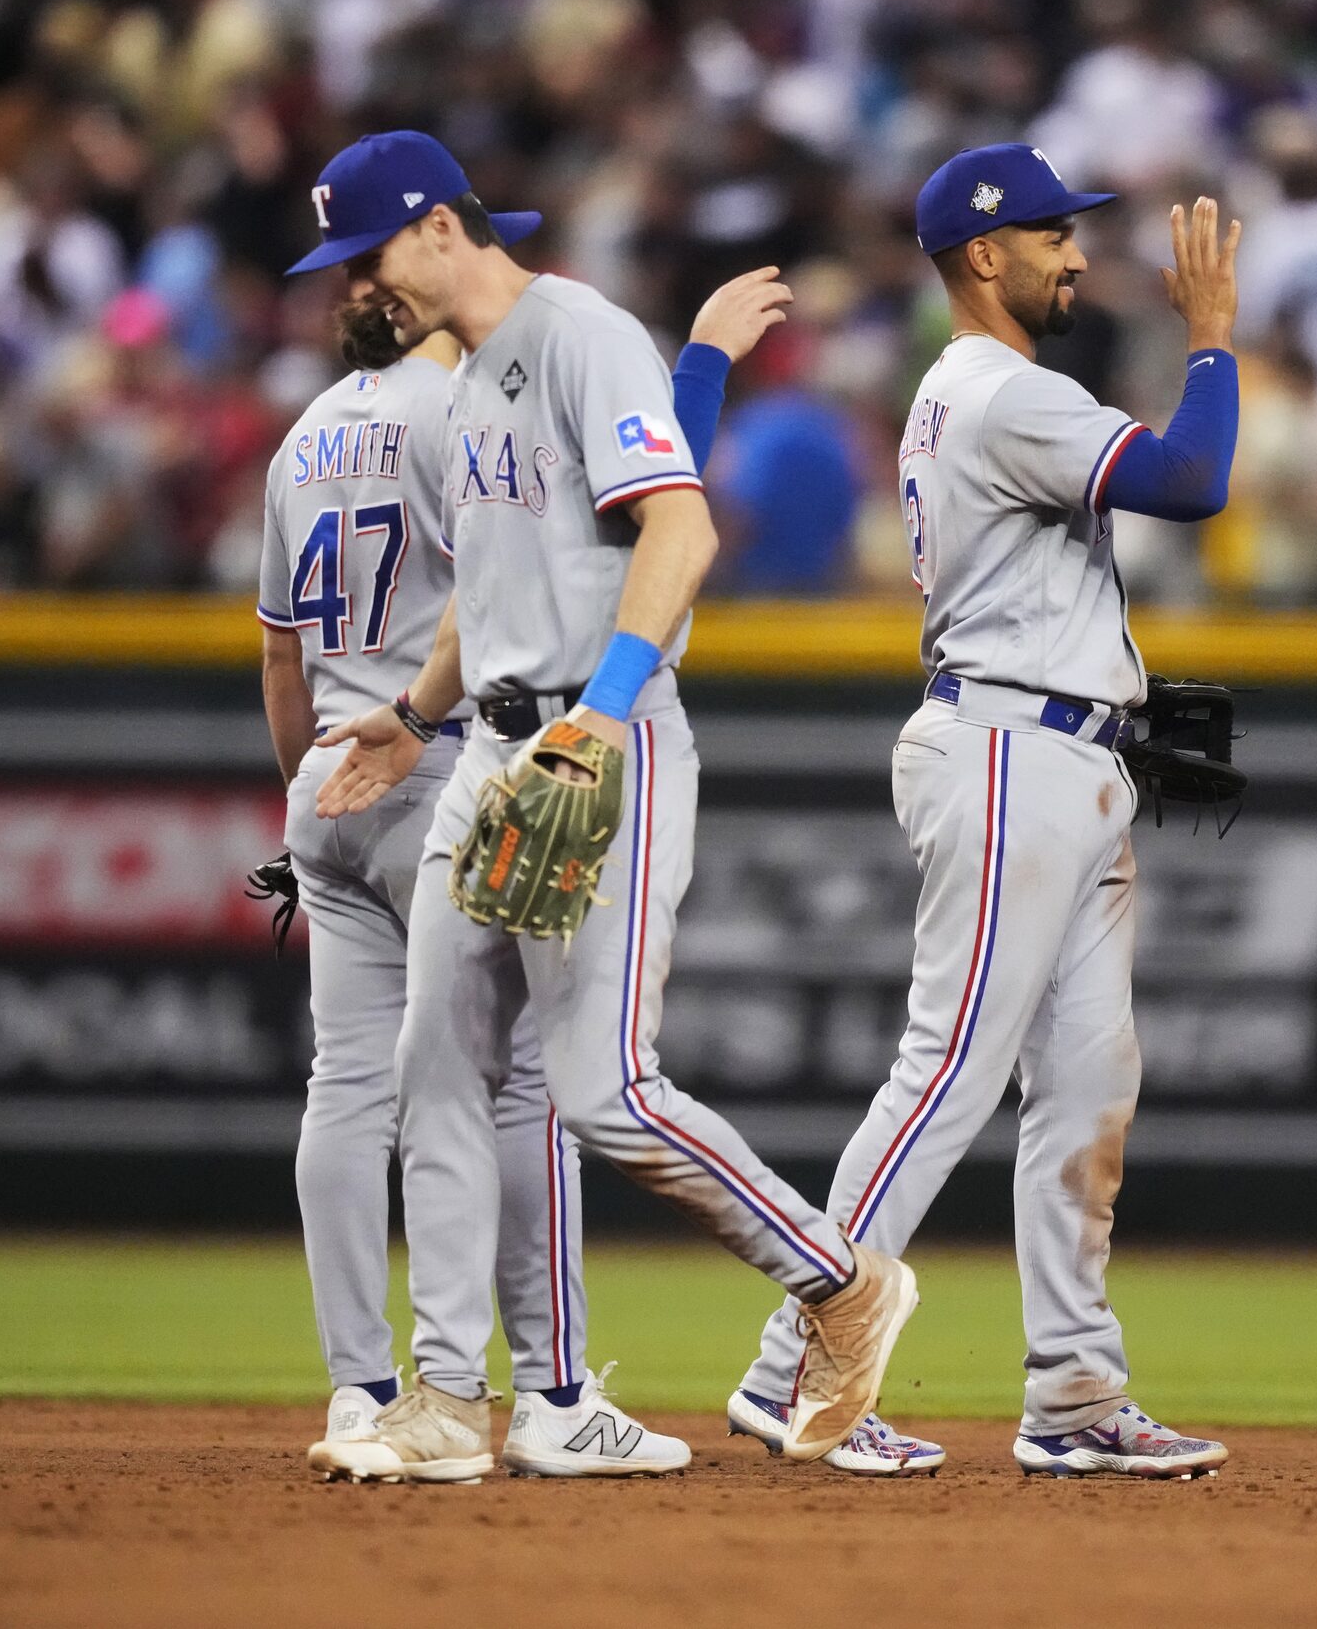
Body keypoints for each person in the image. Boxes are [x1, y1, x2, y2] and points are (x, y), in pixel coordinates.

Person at [290, 131, 916, 1482]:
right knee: (434, 1069)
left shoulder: (577, 330)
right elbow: (487, 587)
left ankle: (841, 1279)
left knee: (603, 1091)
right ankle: (451, 1398)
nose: (360, 282)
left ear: (442, 227)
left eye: (370, 250)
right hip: (490, 747)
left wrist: (602, 710)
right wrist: (411, 717)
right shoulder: (460, 388)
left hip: (604, 741)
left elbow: (680, 531)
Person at [727, 145, 1240, 1479]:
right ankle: (797, 1363)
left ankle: (1072, 1388)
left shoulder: (981, 391)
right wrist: (1212, 340)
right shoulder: (1001, 389)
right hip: (1012, 748)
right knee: (945, 1067)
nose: (1074, 253)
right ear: (979, 257)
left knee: (1084, 1085)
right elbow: (1192, 479)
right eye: (1052, 236)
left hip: (1064, 749)